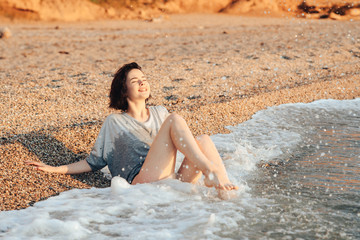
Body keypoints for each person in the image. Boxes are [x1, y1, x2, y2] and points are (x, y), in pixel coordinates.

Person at [26, 62, 238, 194]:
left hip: (169, 181)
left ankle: (226, 193)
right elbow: (93, 162)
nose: (142, 83)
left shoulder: (160, 112)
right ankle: (211, 171)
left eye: (144, 79)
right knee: (174, 120)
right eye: (135, 81)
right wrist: (56, 169)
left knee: (203, 140)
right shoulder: (115, 122)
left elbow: (187, 146)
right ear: (124, 90)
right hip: (141, 185)